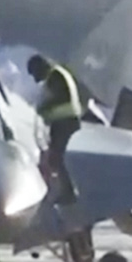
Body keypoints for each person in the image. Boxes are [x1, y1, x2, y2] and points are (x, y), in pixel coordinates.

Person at [26, 53, 84, 203]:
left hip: (64, 123)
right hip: (66, 122)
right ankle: (67, 190)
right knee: (61, 158)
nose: (37, 78)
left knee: (59, 158)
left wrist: (43, 110)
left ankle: (68, 193)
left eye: (35, 74)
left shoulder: (55, 77)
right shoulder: (59, 73)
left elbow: (55, 99)